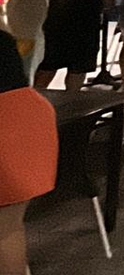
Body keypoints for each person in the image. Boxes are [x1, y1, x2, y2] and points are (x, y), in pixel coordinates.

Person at [0, 29, 58, 275]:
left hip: (7, 134)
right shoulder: (4, 40)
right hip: (27, 124)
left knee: (6, 232)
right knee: (9, 230)